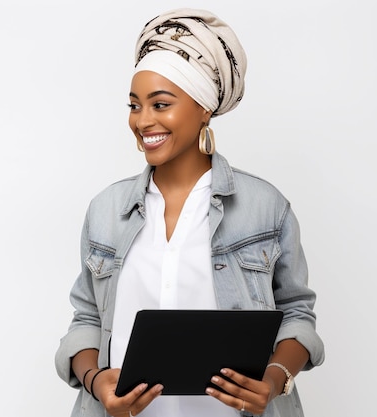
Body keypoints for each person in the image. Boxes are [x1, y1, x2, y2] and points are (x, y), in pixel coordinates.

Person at [55, 8, 324, 417]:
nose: (143, 121)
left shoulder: (265, 208)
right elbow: (87, 316)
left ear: (204, 108)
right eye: (134, 105)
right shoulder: (106, 211)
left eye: (160, 104)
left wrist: (273, 381)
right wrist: (95, 380)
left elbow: (297, 314)